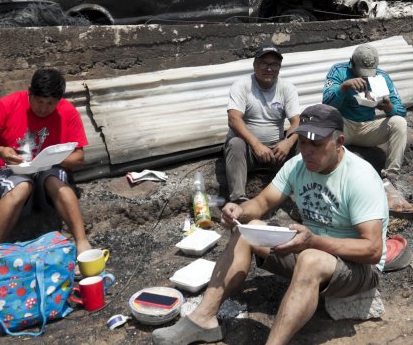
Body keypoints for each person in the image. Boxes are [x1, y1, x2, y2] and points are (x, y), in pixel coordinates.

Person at [152, 105, 387, 345]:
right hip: (309, 247)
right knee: (248, 229)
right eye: (302, 141)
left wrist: (315, 242)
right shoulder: (297, 165)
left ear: (339, 141)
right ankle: (204, 319)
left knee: (311, 259)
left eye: (316, 144)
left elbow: (372, 250)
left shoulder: (360, 177)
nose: (306, 150)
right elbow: (263, 201)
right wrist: (239, 211)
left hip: (356, 268)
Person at [0, 68, 92, 252]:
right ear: (29, 91)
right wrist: (1, 151)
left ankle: (82, 242)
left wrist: (55, 159)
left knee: (55, 180)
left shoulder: (67, 112)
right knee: (21, 187)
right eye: (39, 101)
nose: (43, 108)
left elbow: (79, 157)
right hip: (10, 172)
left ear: (60, 100)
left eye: (50, 103)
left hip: (48, 173)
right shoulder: (8, 104)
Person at [323, 44, 413, 217]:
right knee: (325, 121)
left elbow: (401, 111)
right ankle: (326, 178)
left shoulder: (382, 77)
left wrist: (388, 107)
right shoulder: (338, 71)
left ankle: (390, 178)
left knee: (398, 122)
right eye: (361, 72)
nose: (365, 77)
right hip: (344, 127)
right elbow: (326, 105)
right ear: (352, 63)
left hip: (368, 128)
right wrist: (343, 88)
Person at [222, 45, 301, 203]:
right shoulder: (242, 86)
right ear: (254, 65)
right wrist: (256, 145)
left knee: (304, 141)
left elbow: (297, 121)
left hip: (276, 152)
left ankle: (300, 198)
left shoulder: (287, 88)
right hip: (249, 151)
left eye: (274, 64)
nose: (269, 69)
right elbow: (233, 119)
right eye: (264, 63)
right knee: (236, 143)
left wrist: (287, 142)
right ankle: (238, 200)